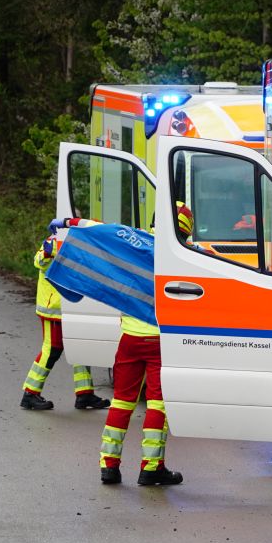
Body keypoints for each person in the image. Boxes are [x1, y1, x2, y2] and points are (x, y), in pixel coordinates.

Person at [49, 201, 193, 486]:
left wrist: (67, 222)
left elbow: (100, 228)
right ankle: (151, 468)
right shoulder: (186, 256)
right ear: (185, 231)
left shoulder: (133, 240)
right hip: (161, 341)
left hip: (129, 339)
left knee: (122, 401)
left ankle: (109, 465)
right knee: (157, 404)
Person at [19, 234, 109, 411]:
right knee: (52, 349)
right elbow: (39, 262)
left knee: (80, 348)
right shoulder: (54, 241)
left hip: (72, 308)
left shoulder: (80, 241)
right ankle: (30, 393)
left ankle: (84, 394)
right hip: (53, 309)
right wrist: (49, 252)